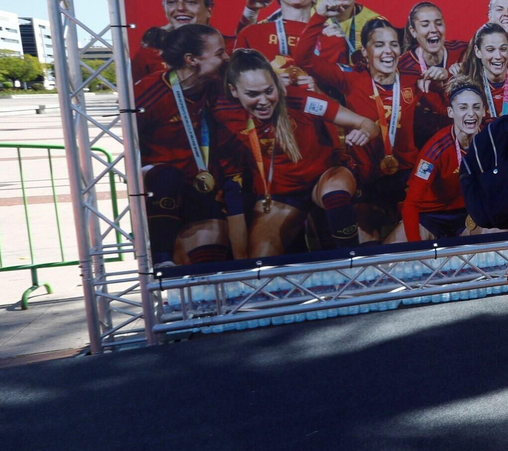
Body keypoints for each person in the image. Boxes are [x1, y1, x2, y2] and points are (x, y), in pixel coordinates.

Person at [212, 49, 378, 258]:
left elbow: (367, 124)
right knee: (260, 261)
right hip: (280, 195)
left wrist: (364, 132)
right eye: (252, 94)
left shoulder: (301, 100)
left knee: (335, 192)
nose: (263, 101)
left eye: (268, 90)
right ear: (234, 91)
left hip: (323, 179)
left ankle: (353, 264)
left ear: (277, 83)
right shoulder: (224, 114)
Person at [293, 14, 436, 241]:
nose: (388, 51)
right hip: (366, 179)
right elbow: (304, 58)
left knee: (407, 246)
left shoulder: (413, 78)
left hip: (405, 178)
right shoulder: (350, 79)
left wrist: (444, 77)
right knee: (365, 255)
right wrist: (319, 16)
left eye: (393, 44)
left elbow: (448, 105)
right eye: (379, 45)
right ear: (365, 51)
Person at [133, 23, 231, 267]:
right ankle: (161, 260)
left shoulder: (217, 88)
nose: (226, 58)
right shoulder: (149, 93)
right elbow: (124, 148)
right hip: (160, 190)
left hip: (199, 186)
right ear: (191, 59)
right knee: (166, 176)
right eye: (219, 53)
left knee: (210, 264)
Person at [390, 79, 487, 242]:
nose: (471, 113)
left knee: (498, 233)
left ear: (484, 111)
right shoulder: (435, 150)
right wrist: (416, 246)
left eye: (476, 107)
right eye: (463, 108)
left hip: (468, 214)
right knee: (391, 255)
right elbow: (410, 204)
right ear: (450, 112)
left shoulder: (490, 142)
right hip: (430, 216)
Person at [132, 0, 248, 81]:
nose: (180, 8)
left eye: (191, 2)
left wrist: (250, 12)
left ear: (209, 10)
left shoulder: (231, 47)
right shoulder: (149, 55)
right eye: (172, 2)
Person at [398, 1, 468, 145]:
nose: (434, 29)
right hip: (422, 141)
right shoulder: (403, 66)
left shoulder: (462, 51)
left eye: (438, 23)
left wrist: (457, 74)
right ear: (413, 31)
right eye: (425, 25)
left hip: (462, 136)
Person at [236, 0, 320, 86]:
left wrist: (319, 93)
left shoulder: (331, 36)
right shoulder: (252, 33)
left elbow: (344, 91)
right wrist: (270, 84)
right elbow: (235, 80)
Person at [459, 22, 508, 118]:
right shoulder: (468, 86)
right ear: (478, 51)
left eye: (503, 49)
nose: (498, 56)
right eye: (490, 50)